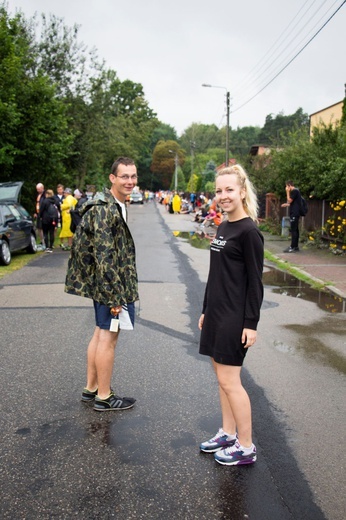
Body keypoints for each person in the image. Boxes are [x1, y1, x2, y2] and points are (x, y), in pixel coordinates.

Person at [198, 164, 264, 466]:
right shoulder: (224, 226)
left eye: (229, 190)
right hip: (216, 313)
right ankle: (227, 432)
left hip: (234, 318)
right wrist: (205, 309)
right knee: (221, 380)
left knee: (231, 381)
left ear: (241, 191)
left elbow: (255, 282)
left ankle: (246, 446)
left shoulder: (249, 231)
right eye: (219, 191)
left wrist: (251, 323)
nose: (223, 196)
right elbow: (216, 274)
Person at [65, 157, 139, 411]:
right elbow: (105, 256)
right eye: (124, 176)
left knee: (99, 333)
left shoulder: (114, 204)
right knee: (108, 338)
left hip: (106, 283)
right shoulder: (106, 208)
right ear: (112, 178)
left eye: (133, 176)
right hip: (111, 285)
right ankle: (104, 397)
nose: (130, 181)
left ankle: (92, 388)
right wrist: (115, 295)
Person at [281, 180, 301, 253]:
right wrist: (286, 205)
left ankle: (292, 247)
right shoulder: (297, 192)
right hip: (295, 213)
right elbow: (294, 203)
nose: (286, 188)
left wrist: (287, 192)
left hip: (295, 213)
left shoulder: (295, 191)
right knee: (295, 229)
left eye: (286, 186)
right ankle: (295, 246)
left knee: (293, 230)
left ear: (289, 185)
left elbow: (289, 200)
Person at [34, 183, 46, 249]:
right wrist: (35, 212)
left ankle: (45, 241)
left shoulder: (45, 195)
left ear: (42, 188)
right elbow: (36, 204)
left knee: (43, 228)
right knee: (39, 227)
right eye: (37, 189)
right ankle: (42, 241)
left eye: (38, 189)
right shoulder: (38, 195)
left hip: (43, 214)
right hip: (38, 213)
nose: (37, 190)